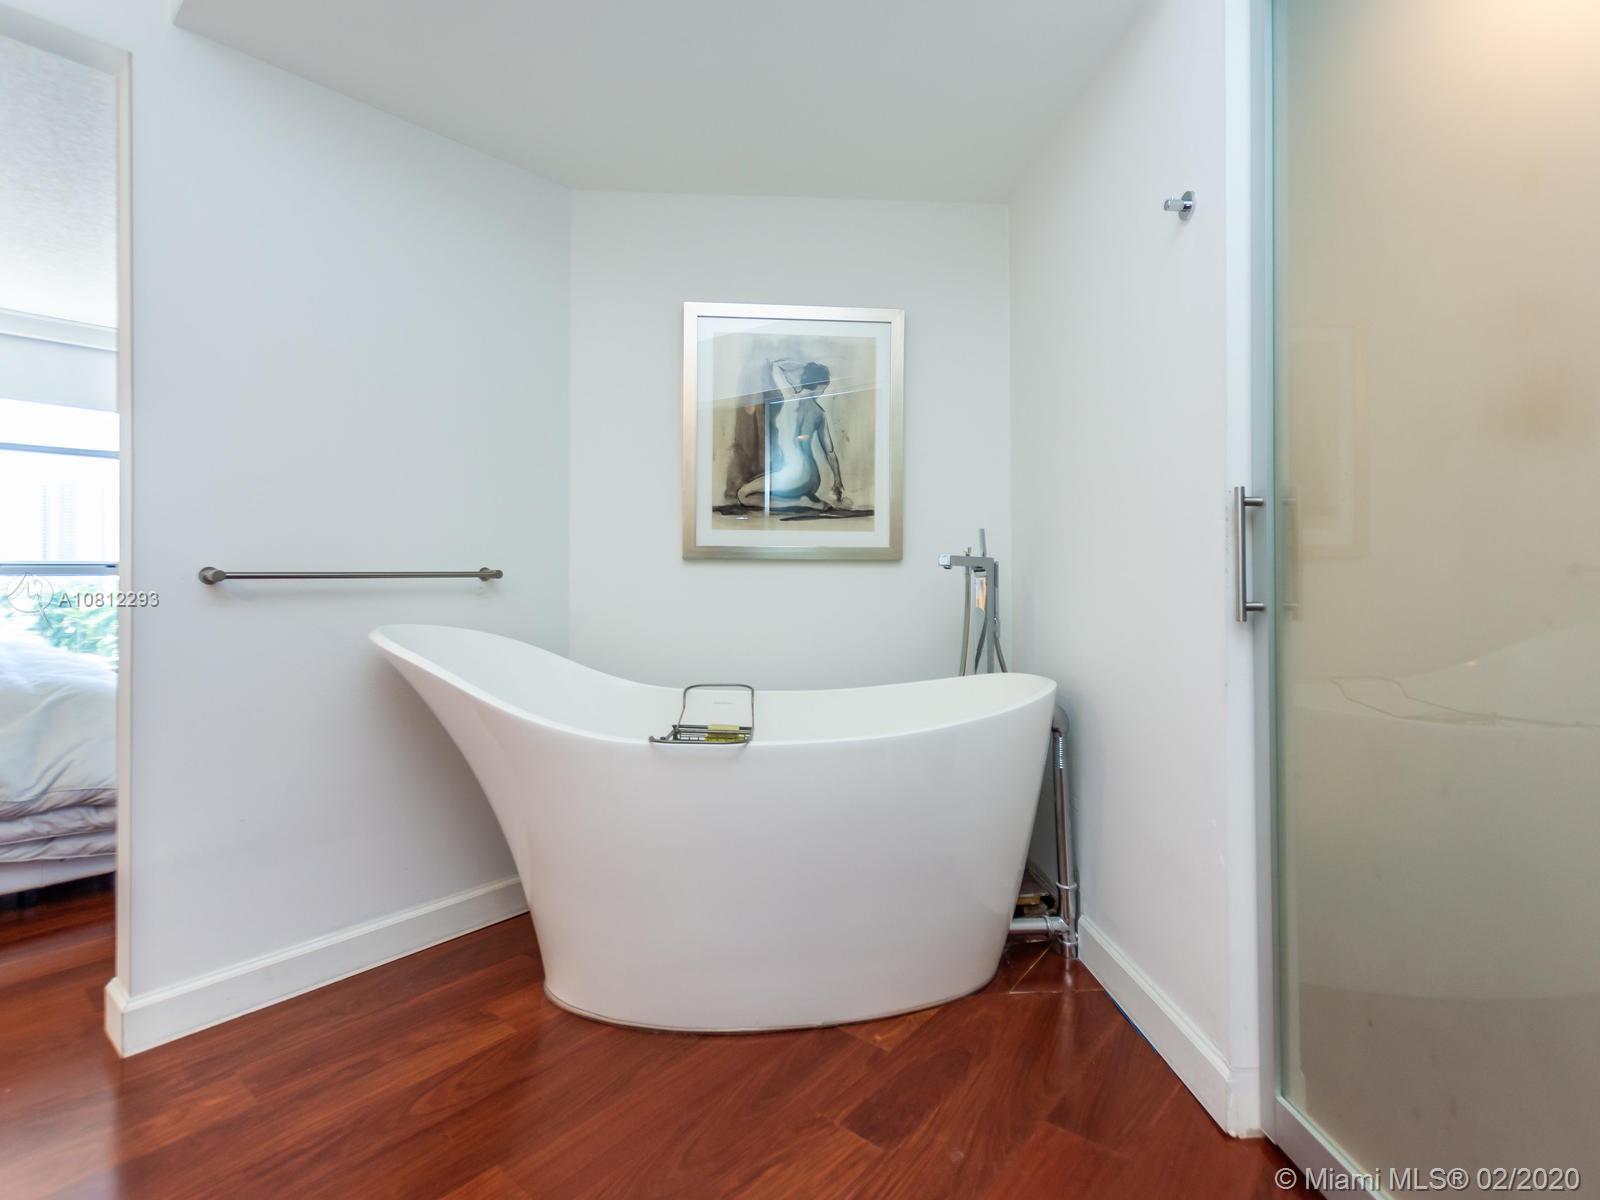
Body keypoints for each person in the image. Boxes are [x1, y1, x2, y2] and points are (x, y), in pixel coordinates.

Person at [736, 359, 847, 511]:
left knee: (743, 495)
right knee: (751, 491)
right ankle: (801, 500)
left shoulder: (788, 399)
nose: (823, 392)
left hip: (794, 476)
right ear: (819, 385)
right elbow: (830, 451)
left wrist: (802, 369)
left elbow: (776, 366)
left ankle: (799, 502)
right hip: (812, 478)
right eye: (823, 388)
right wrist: (838, 481)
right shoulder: (819, 413)